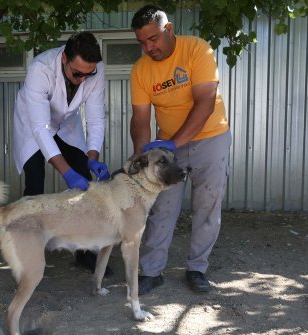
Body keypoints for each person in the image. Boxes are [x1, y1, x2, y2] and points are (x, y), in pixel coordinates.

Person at [128, 5, 232, 294]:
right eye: (142, 43)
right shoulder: (141, 70)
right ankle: (151, 271)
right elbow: (139, 119)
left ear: (169, 29)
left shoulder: (197, 50)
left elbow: (205, 102)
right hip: (167, 145)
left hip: (211, 138)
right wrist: (141, 157)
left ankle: (197, 268)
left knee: (207, 206)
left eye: (154, 39)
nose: (149, 48)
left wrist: (175, 143)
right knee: (162, 207)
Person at [12, 31, 113, 275]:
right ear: (65, 59)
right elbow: (40, 128)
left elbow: (96, 119)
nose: (83, 79)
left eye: (88, 74)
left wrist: (91, 158)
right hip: (32, 125)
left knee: (84, 176)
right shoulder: (40, 68)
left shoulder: (94, 71)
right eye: (77, 73)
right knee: (35, 179)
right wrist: (65, 173)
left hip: (66, 124)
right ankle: (28, 251)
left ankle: (84, 252)